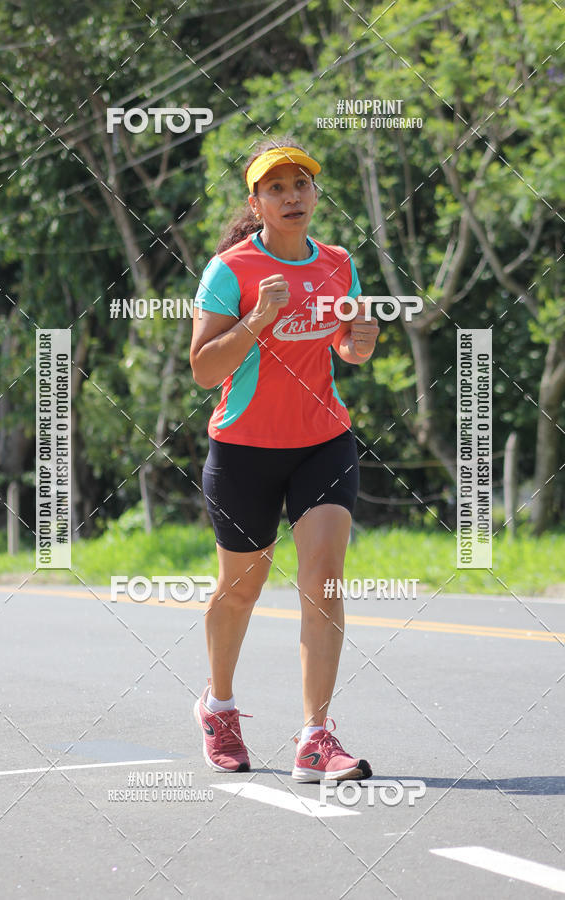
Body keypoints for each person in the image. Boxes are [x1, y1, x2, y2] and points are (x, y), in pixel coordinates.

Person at [190, 137, 379, 782]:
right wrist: (259, 318)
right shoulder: (229, 271)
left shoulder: (337, 264)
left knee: (323, 579)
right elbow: (203, 369)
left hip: (321, 442)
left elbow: (346, 351)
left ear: (315, 195)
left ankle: (315, 736)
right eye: (277, 187)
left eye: (302, 184)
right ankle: (218, 708)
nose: (292, 196)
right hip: (244, 449)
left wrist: (360, 342)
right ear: (257, 202)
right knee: (240, 591)